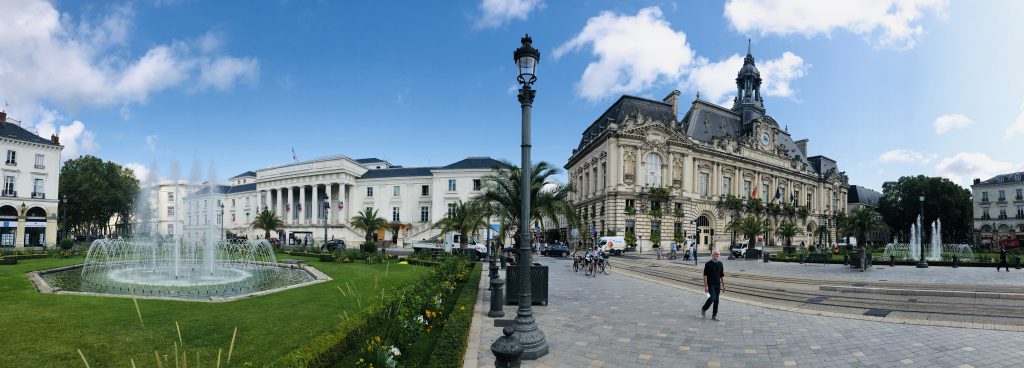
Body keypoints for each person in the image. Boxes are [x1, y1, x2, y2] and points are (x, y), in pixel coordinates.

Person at [701, 249, 725, 321]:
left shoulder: (720, 264)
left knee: (716, 300)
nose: (717, 255)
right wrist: (706, 286)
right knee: (712, 298)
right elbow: (705, 276)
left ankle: (714, 316)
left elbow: (722, 275)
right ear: (712, 255)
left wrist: (723, 285)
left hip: (718, 285)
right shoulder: (708, 264)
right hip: (710, 284)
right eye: (716, 254)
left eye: (718, 254)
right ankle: (704, 308)